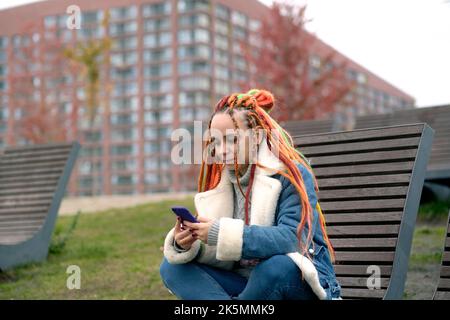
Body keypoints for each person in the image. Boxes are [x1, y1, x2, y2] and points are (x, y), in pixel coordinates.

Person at [160, 89, 341, 300]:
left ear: (256, 137)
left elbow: (293, 238)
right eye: (216, 142)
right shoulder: (220, 182)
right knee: (173, 267)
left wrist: (220, 232)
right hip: (245, 286)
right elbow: (223, 255)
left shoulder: (290, 176)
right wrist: (190, 244)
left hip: (296, 282)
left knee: (275, 267)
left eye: (232, 140)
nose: (222, 151)